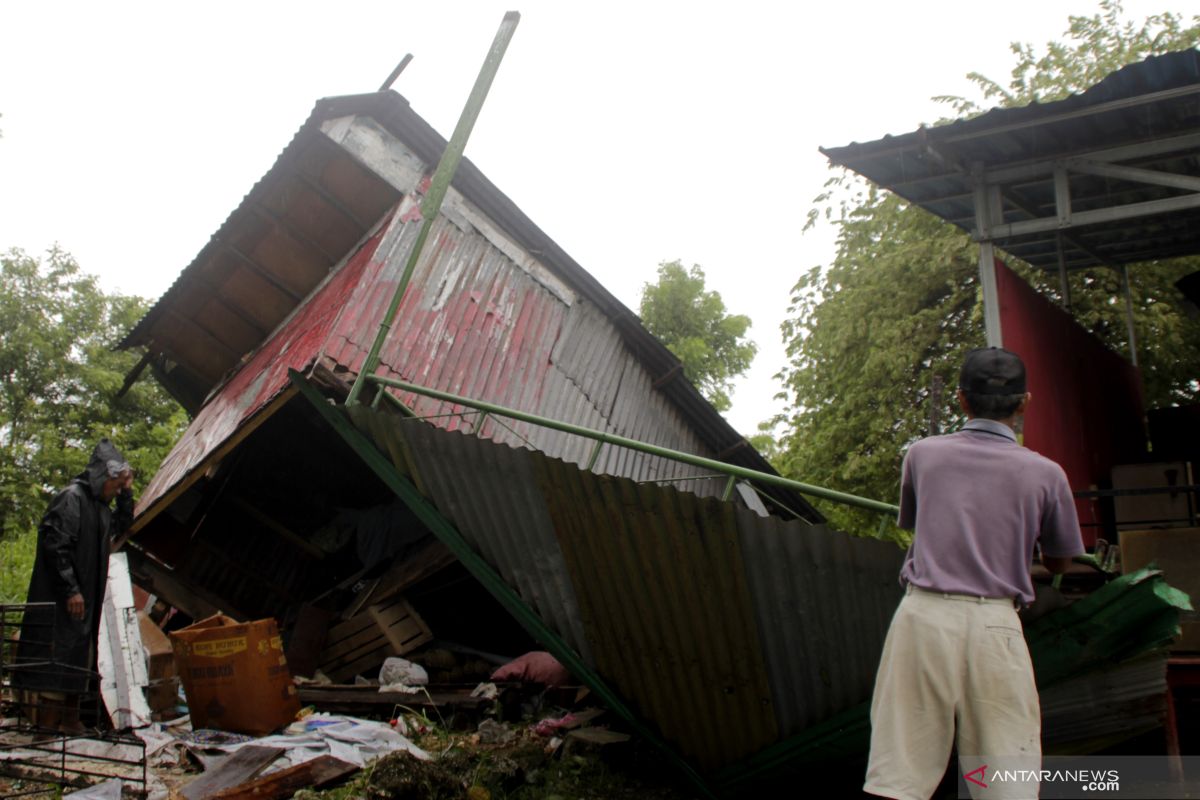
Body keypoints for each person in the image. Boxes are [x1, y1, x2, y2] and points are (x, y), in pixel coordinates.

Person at [863, 348, 1085, 800]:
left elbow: (919, 523)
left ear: (961, 401)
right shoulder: (1048, 474)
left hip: (924, 617)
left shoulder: (923, 455)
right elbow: (1062, 562)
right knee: (1006, 778)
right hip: (996, 625)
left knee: (900, 773)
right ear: (1025, 402)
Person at [12, 439, 134, 732]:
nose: (116, 491)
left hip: (87, 597)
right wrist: (71, 589)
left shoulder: (100, 507)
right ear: (102, 477)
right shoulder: (72, 498)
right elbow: (57, 546)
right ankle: (48, 727)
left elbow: (122, 525)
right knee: (58, 659)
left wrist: (126, 493)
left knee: (80, 657)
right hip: (65, 597)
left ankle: (70, 720)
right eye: (115, 485)